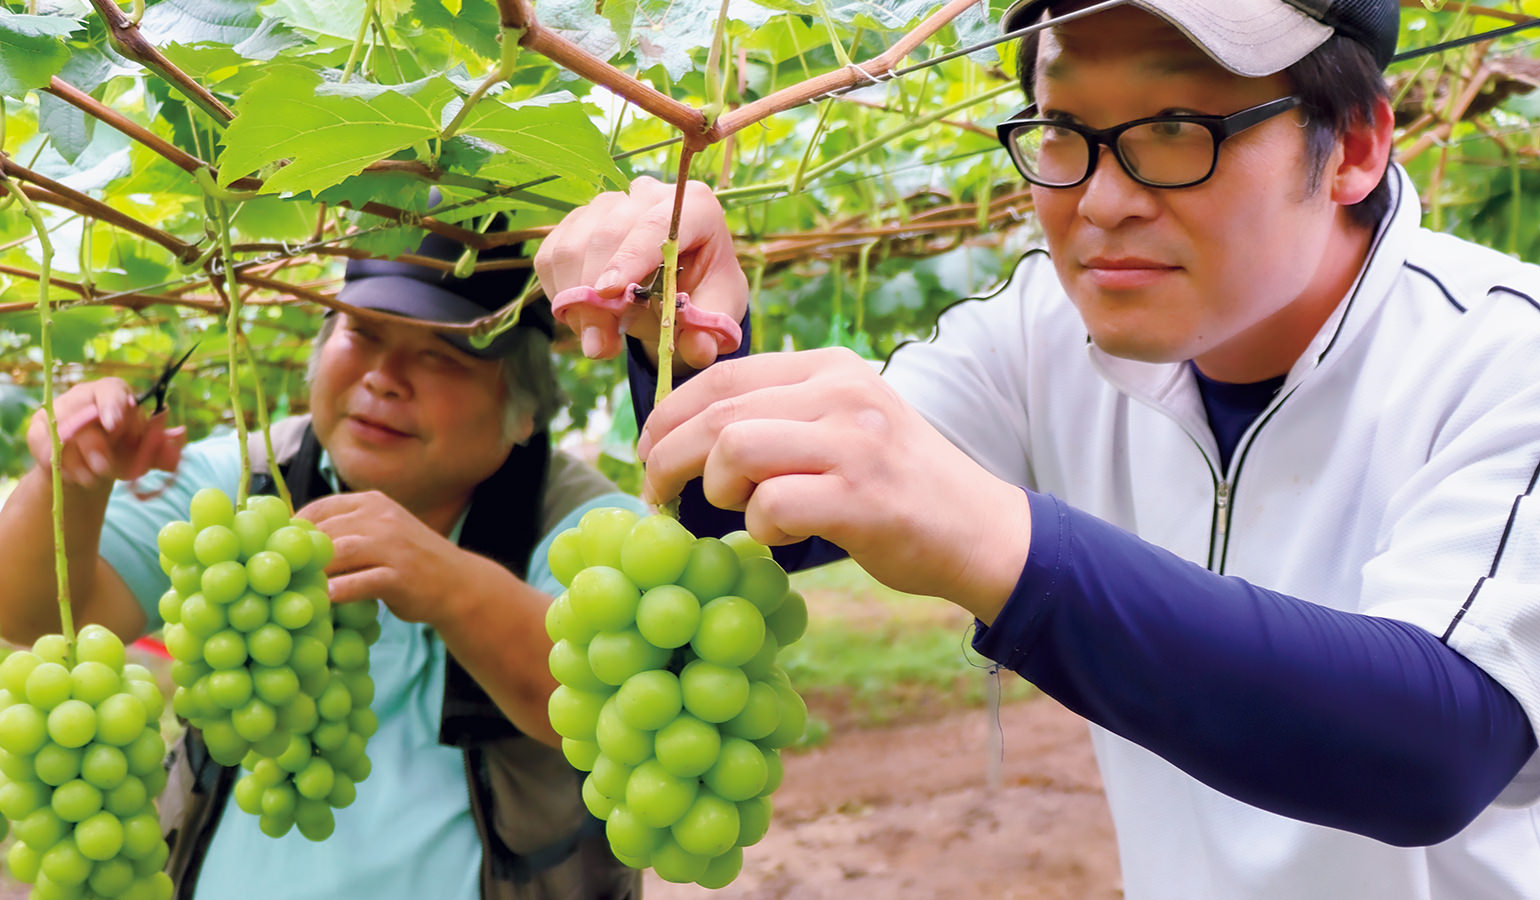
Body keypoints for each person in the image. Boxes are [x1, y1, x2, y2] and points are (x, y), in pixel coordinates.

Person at [534, 0, 1540, 896]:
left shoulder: (1504, 357)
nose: (1101, 201)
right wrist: (688, 333)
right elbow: (779, 511)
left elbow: (1441, 746)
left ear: (1357, 144)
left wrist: (996, 540)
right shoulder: (1038, 330)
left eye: (1175, 127)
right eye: (1063, 132)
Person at [0, 219, 644, 899]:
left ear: (526, 409)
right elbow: (32, 613)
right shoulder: (244, 482)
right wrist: (69, 482)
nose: (383, 378)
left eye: (443, 356)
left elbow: (608, 712)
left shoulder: (583, 526)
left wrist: (451, 586)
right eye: (361, 332)